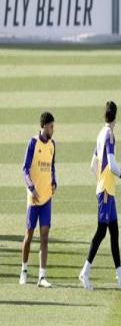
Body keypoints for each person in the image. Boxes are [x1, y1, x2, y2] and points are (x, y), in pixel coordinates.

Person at [79, 101, 121, 290]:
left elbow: (92, 165)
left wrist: (101, 181)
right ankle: (84, 272)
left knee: (114, 232)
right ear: (116, 117)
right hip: (106, 192)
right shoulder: (109, 135)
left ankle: (120, 279)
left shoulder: (101, 133)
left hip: (106, 190)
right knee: (102, 231)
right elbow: (111, 164)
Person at [20, 112, 57, 288]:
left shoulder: (52, 145)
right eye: (51, 126)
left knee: (45, 236)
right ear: (43, 126)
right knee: (28, 236)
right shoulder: (33, 143)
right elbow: (24, 169)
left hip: (47, 197)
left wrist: (54, 181)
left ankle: (42, 276)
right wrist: (31, 188)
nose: (53, 129)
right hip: (33, 199)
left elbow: (52, 166)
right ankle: (24, 270)